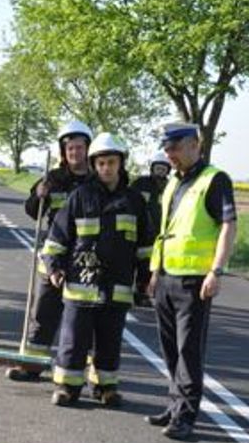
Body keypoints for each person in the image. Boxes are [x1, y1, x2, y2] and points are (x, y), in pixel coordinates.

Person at [43, 132, 155, 407]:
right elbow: (57, 238)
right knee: (73, 341)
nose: (106, 168)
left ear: (121, 164)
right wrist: (55, 267)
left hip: (117, 285)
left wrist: (145, 281)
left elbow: (145, 247)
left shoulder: (134, 201)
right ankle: (67, 387)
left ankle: (106, 387)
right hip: (81, 284)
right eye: (101, 163)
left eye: (112, 162)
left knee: (109, 340)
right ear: (94, 165)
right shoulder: (79, 197)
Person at [145, 122, 238, 440]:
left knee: (189, 351)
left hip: (195, 281)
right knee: (169, 349)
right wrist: (155, 272)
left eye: (173, 148)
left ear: (194, 145)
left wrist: (216, 270)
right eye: (166, 149)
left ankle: (185, 416)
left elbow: (228, 226)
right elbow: (166, 231)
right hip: (167, 277)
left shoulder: (215, 180)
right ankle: (174, 407)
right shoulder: (173, 182)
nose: (168, 154)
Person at [12, 119, 93, 379]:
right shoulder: (52, 179)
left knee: (83, 321)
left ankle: (86, 371)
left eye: (79, 148)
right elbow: (34, 213)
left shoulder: (96, 181)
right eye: (70, 149)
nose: (74, 153)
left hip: (85, 259)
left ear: (88, 149)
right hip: (53, 256)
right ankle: (32, 365)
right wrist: (39, 194)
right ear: (63, 151)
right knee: (43, 314)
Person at [129, 151, 172, 306]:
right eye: (157, 168)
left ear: (168, 170)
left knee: (146, 266)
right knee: (127, 263)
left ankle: (141, 294)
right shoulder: (140, 183)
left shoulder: (170, 187)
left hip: (154, 234)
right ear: (152, 168)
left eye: (163, 169)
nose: (160, 172)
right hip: (134, 229)